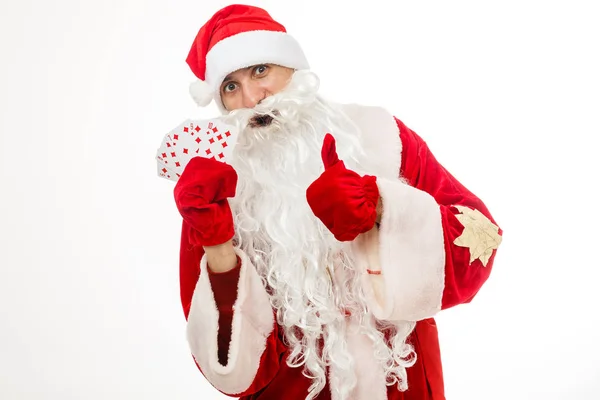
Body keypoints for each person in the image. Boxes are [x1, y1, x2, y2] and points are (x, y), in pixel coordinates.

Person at [172, 4, 503, 400]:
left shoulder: (381, 137)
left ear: (292, 69)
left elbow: (480, 237)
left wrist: (379, 207)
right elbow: (231, 370)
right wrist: (216, 244)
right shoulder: (216, 186)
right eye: (231, 86)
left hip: (401, 386)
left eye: (261, 71)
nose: (252, 98)